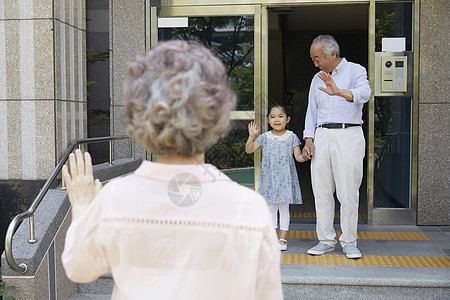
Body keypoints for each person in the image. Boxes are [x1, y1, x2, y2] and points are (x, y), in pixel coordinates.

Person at [61, 40, 283, 299]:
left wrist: (82, 206)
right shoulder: (249, 207)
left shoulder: (116, 199)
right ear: (216, 118)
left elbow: (79, 269)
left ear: (139, 118)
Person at [302, 35, 371, 259]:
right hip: (322, 135)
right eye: (313, 59)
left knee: (348, 192)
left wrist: (338, 91)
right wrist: (309, 140)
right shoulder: (316, 78)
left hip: (348, 134)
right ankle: (326, 240)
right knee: (321, 192)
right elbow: (311, 112)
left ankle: (349, 241)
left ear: (332, 54)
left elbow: (365, 94)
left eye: (317, 58)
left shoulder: (356, 70)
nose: (315, 63)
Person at [246, 105, 306, 251]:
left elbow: (298, 157)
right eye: (272, 116)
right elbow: (249, 150)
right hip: (270, 179)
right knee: (271, 208)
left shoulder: (292, 137)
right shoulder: (265, 137)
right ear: (268, 120)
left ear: (288, 119)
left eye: (280, 116)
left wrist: (305, 155)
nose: (276, 119)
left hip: (285, 179)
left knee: (284, 209)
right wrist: (251, 136)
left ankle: (283, 239)